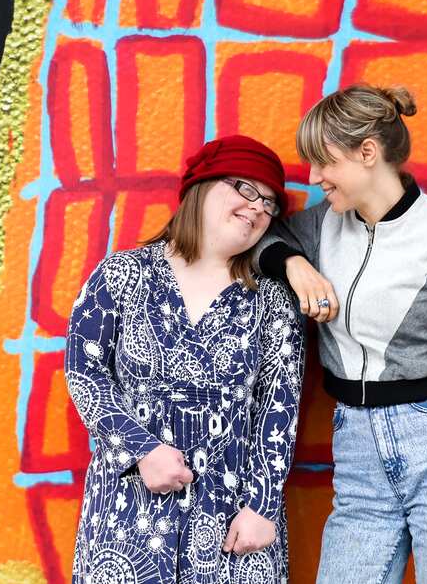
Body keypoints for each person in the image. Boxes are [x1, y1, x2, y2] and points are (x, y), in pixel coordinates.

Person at [255, 84, 427, 584]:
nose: (314, 178)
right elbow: (258, 239)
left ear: (367, 153)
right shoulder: (320, 226)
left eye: (324, 163)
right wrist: (293, 263)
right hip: (357, 444)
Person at [65, 135, 305, 584]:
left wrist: (263, 506)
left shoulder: (272, 301)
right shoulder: (122, 275)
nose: (257, 207)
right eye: (244, 188)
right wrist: (142, 451)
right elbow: (85, 373)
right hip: (126, 516)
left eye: (270, 202)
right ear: (201, 186)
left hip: (235, 527)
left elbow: (280, 407)